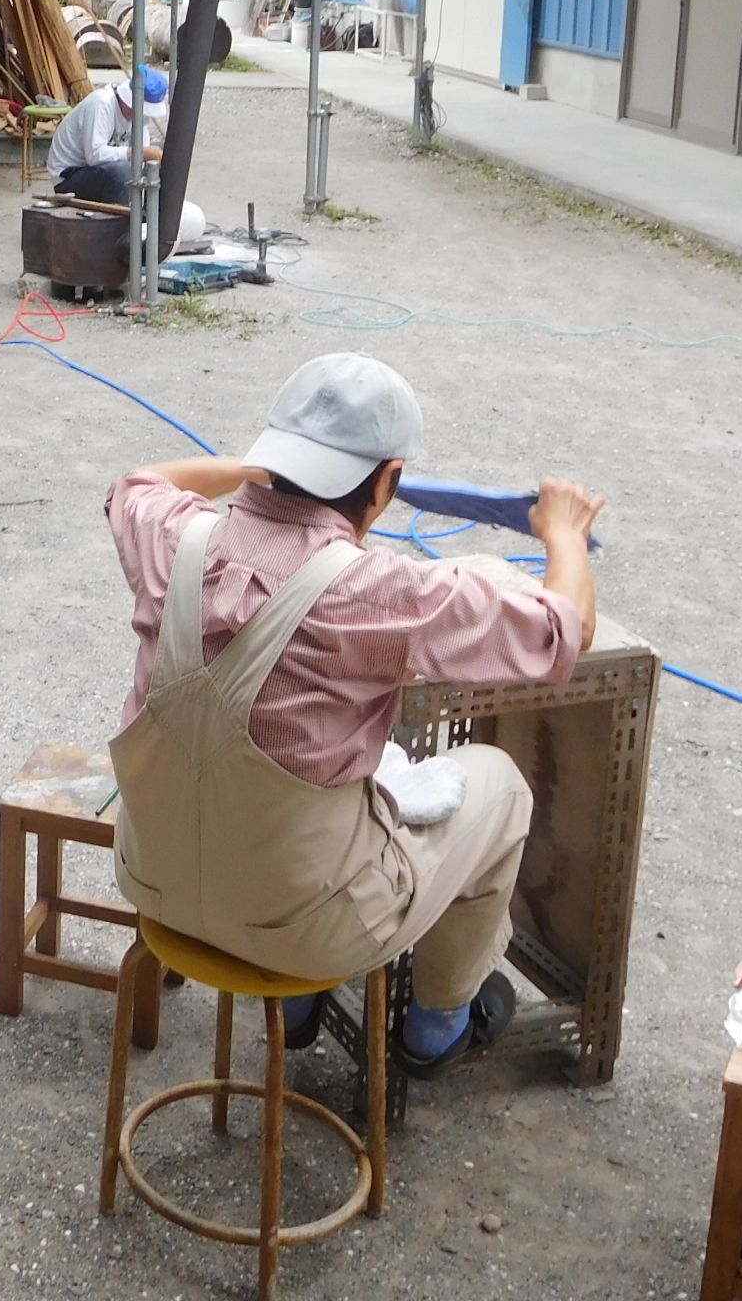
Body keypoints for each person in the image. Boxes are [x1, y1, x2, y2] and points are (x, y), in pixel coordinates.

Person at [106, 353, 607, 1078]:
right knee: (498, 783)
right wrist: (563, 530)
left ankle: (304, 1008)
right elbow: (561, 631)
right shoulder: (381, 591)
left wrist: (250, 468)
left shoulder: (172, 537)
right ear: (388, 481)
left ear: (273, 456)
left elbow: (141, 481)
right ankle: (436, 1026)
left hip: (153, 879)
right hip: (308, 929)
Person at [48, 67, 167, 205]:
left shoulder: (139, 118)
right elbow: (94, 155)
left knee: (164, 154)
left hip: (97, 170)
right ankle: (119, 223)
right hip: (68, 176)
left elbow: (143, 151)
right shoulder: (102, 103)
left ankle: (151, 217)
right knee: (123, 172)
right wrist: (138, 153)